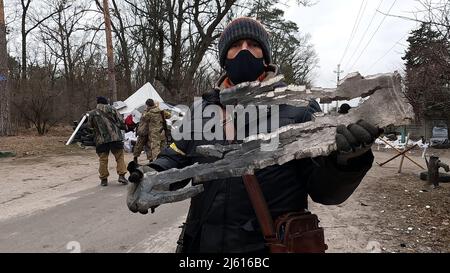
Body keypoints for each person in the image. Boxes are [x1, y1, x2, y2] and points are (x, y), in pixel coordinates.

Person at [127, 17, 381, 253]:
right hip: (203, 247)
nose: (245, 51)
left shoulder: (299, 108)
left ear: (266, 56)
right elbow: (176, 157)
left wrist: (347, 163)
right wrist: (151, 177)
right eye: (236, 45)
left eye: (253, 45)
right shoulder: (200, 111)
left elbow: (325, 192)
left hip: (267, 247)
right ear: (224, 57)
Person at [88, 96, 128, 186]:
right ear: (106, 102)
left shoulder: (92, 113)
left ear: (97, 103)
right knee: (119, 157)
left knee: (103, 159)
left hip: (101, 139)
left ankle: (104, 179)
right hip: (115, 138)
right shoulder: (113, 109)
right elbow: (121, 121)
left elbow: (90, 126)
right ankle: (121, 175)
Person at [133, 99, 171, 163]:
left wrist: (145, 111)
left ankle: (157, 162)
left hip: (153, 133)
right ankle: (163, 160)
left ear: (147, 105)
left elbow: (143, 118)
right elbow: (169, 115)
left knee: (154, 148)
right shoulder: (161, 111)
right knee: (162, 147)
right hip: (161, 132)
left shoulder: (149, 113)